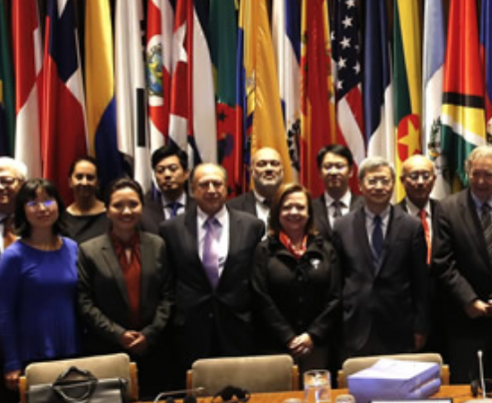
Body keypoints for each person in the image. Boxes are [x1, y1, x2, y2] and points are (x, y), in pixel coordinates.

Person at [435, 146, 492, 383]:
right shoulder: (448, 208)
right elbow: (443, 262)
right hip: (465, 320)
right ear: (467, 173)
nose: (480, 181)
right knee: (468, 389)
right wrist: (469, 299)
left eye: (488, 174)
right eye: (475, 174)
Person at [160, 163, 266, 368]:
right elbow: (169, 281)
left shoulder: (252, 226)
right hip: (190, 331)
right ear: (192, 190)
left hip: (238, 328)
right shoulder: (171, 229)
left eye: (217, 184)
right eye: (203, 184)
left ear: (226, 188)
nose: (211, 190)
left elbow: (256, 280)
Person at [77, 178, 175, 398]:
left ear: (142, 207)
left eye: (133, 204)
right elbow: (85, 302)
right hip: (108, 350)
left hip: (154, 350)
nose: (126, 211)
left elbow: (168, 295)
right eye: (118, 205)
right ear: (107, 210)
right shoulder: (89, 251)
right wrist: (119, 335)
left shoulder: (157, 245)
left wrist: (149, 334)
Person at [336, 159, 428, 358]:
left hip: (398, 325)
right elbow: (337, 281)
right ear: (360, 185)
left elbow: (420, 282)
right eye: (372, 181)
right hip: (355, 326)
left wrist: (420, 326)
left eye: (385, 181)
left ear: (393, 184)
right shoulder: (342, 226)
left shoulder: (411, 226)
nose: (379, 187)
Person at [0, 179, 82, 391]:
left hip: (74, 349)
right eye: (33, 203)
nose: (42, 209)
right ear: (22, 211)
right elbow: (5, 313)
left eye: (48, 201)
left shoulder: (72, 248)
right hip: (32, 354)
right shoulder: (13, 256)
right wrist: (11, 363)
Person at [253, 183, 341, 371]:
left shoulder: (325, 249)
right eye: (287, 207)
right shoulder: (264, 250)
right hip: (275, 345)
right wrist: (288, 336)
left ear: (309, 213)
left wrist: (312, 335)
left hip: (317, 345)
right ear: (277, 212)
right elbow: (260, 297)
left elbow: (335, 296)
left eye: (300, 207)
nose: (294, 212)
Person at [398, 154, 444, 354]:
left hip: (445, 311)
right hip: (406, 312)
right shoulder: (393, 216)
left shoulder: (448, 212)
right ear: (402, 180)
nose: (420, 182)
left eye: (426, 176)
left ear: (434, 179)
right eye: (413, 176)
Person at [227, 147, 286, 223]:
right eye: (261, 164)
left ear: (282, 170)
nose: (269, 169)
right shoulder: (232, 208)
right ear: (251, 171)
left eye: (274, 164)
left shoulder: (297, 205)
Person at [142, 143, 191, 232]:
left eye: (173, 169)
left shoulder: (199, 207)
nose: (167, 175)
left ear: (186, 173)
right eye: (160, 170)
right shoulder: (144, 211)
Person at [311, 144, 357, 235]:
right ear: (319, 172)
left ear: (351, 171)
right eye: (328, 167)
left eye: (339, 166)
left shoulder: (366, 206)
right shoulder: (310, 208)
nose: (333, 172)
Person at [64, 156, 111, 244]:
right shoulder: (62, 219)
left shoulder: (111, 215)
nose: (84, 183)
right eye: (79, 177)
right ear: (70, 182)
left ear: (98, 183)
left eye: (90, 177)